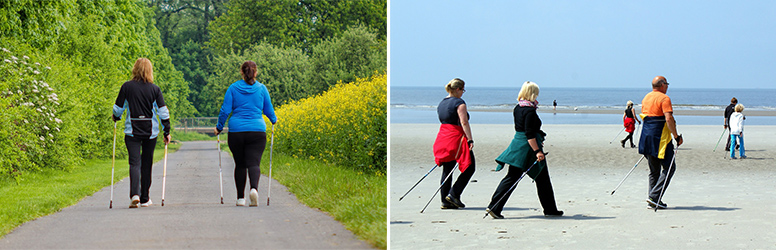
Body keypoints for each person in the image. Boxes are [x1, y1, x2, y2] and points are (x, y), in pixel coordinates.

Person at [486, 81, 563, 219]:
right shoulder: (529, 111)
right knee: (517, 177)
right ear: (532, 93)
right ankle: (494, 207)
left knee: (535, 178)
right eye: (536, 93)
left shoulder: (518, 107)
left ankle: (550, 209)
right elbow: (529, 134)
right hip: (526, 149)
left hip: (518, 145)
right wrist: (537, 151)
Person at [214, 61, 278, 207]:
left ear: (241, 72)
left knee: (240, 164)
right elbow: (268, 110)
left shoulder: (233, 88)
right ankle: (254, 189)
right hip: (257, 131)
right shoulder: (262, 89)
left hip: (237, 132)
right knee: (254, 163)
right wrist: (274, 120)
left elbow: (225, 110)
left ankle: (240, 198)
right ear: (256, 73)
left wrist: (219, 127)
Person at [112, 58, 171, 208]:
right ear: (150, 70)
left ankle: (135, 194)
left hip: (132, 131)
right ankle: (145, 198)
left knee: (134, 163)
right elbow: (163, 112)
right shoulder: (154, 89)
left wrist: (116, 117)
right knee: (146, 164)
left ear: (134, 69)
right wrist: (167, 131)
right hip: (150, 133)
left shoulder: (127, 87)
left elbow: (118, 108)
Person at [638, 76, 683, 209]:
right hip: (660, 138)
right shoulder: (664, 98)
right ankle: (654, 196)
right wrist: (676, 136)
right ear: (662, 85)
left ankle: (653, 199)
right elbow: (668, 118)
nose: (668, 86)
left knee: (654, 171)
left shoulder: (646, 97)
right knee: (670, 168)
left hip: (646, 137)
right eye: (667, 84)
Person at [433, 78, 475, 209]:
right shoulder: (459, 103)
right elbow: (464, 122)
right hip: (456, 138)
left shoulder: (442, 103)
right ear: (457, 89)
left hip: (443, 137)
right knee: (470, 167)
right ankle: (454, 194)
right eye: (462, 90)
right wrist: (470, 139)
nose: (463, 93)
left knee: (448, 169)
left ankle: (445, 200)